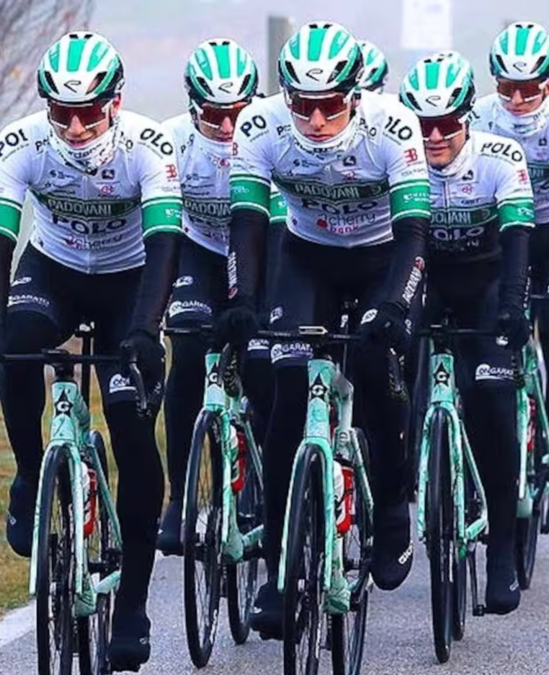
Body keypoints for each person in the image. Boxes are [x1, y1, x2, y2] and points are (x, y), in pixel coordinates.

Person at [0, 31, 182, 670]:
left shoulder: (150, 146)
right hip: (54, 272)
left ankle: (134, 607)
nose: (76, 125)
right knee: (18, 348)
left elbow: (167, 243)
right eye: (62, 112)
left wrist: (147, 331)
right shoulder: (21, 142)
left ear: (115, 102)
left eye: (90, 110)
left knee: (129, 427)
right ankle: (33, 475)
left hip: (129, 283)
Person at [216, 21, 431, 638]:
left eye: (330, 105)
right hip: (307, 258)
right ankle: (281, 578)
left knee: (372, 366)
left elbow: (416, 233)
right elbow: (247, 225)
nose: (315, 118)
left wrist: (394, 306)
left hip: (381, 259)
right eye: (302, 105)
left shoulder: (394, 127)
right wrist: (241, 300)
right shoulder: (260, 126)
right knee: (285, 393)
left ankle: (391, 503)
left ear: (353, 96)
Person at [399, 51, 534, 614]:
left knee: (493, 402)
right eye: (421, 124)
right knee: (393, 371)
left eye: (445, 124)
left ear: (466, 120)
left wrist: (511, 308)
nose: (433, 136)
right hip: (426, 281)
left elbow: (520, 238)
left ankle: (501, 550)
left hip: (486, 283)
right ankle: (403, 485)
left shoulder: (501, 157)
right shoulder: (399, 163)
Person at [156, 38, 285, 555]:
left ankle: (269, 479)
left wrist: (248, 298)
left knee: (262, 361)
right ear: (192, 107)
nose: (228, 127)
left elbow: (277, 229)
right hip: (199, 252)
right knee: (187, 350)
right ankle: (178, 498)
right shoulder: (171, 142)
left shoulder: (273, 138)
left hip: (262, 246)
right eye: (214, 114)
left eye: (238, 112)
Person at [471, 22, 549, 351]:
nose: (516, 100)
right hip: (498, 229)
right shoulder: (478, 116)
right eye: (506, 87)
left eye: (529, 89)